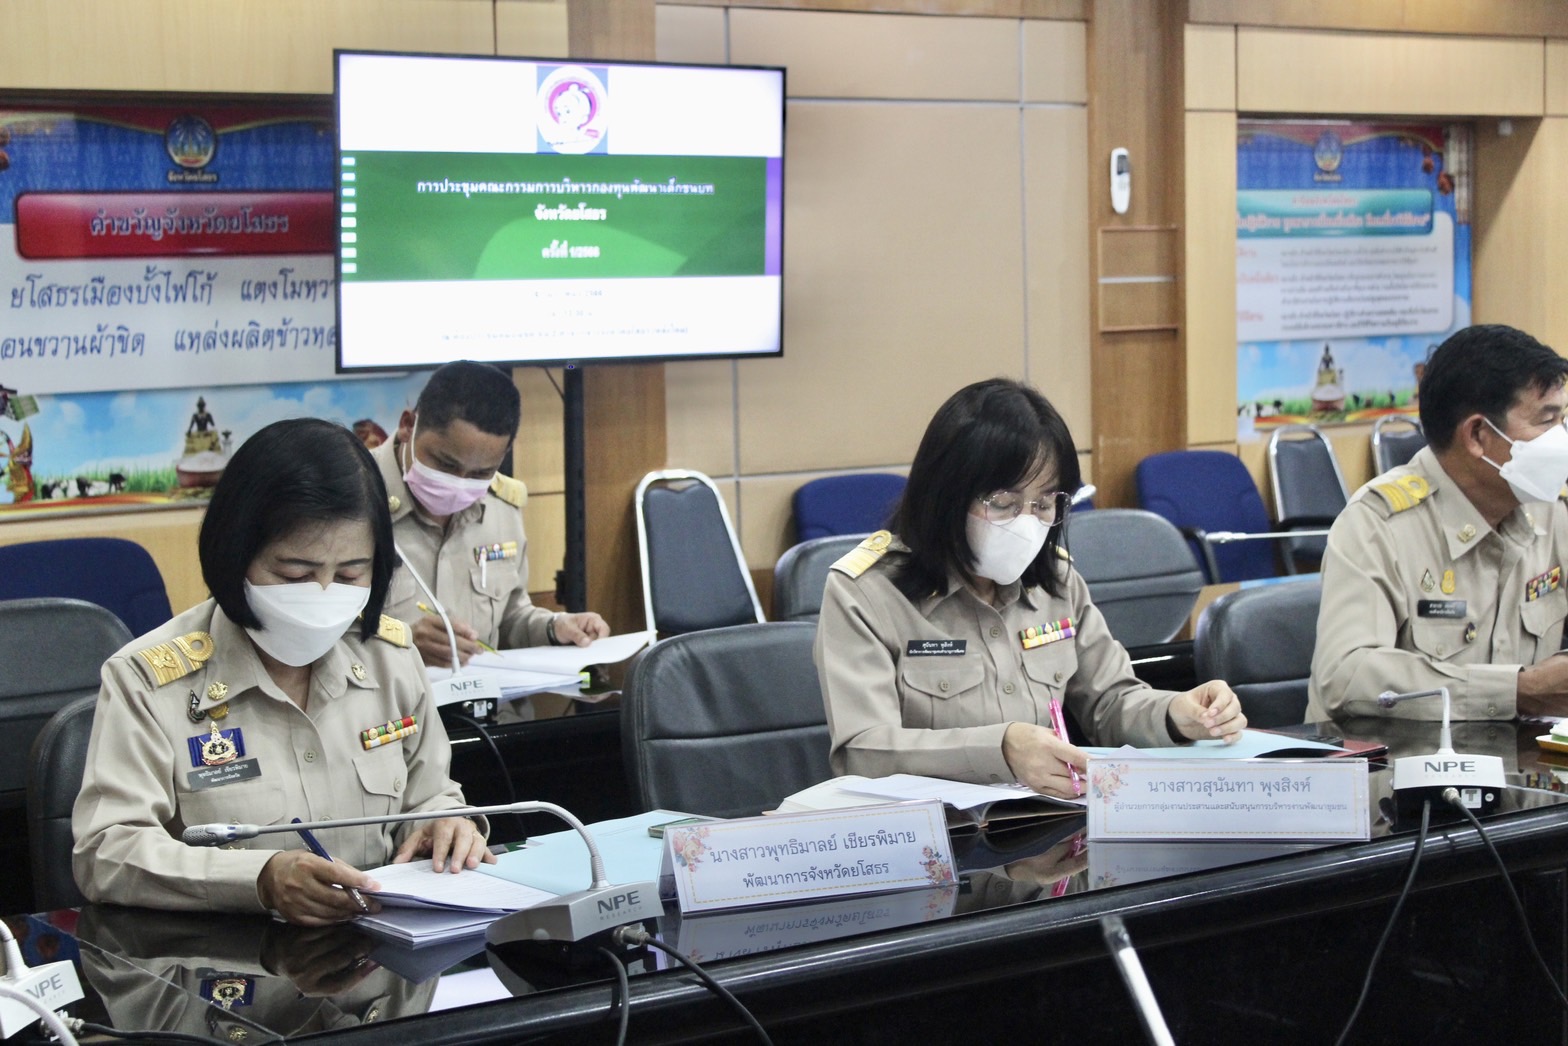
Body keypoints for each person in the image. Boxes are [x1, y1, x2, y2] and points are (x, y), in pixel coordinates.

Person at [73, 418, 492, 925]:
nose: (322, 595)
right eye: (295, 574)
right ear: (237, 554)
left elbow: (430, 794)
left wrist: (444, 825)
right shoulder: (149, 681)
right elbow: (107, 851)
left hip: (383, 973)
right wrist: (260, 879)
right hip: (227, 973)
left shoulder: (390, 657)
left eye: (349, 574)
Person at [814, 378, 1246, 799]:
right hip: (940, 845)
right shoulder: (866, 593)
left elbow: (1111, 703)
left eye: (1043, 503)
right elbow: (863, 751)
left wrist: (1177, 715)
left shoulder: (1055, 582)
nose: (1027, 523)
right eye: (1003, 504)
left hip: (1049, 836)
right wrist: (1000, 748)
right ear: (945, 497)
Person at [1307, 324, 1568, 721]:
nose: (1560, 437)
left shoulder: (1549, 509)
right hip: (1399, 773)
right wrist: (1515, 691)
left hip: (1521, 769)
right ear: (1478, 434)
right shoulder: (1377, 524)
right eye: (1547, 421)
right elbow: (1345, 678)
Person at [371, 361, 608, 669]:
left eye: (481, 472)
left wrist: (554, 628)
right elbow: (318, 634)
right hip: (393, 711)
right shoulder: (349, 497)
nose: (460, 482)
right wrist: (404, 640)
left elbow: (509, 620)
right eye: (445, 464)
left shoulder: (501, 506)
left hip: (488, 709)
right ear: (407, 425)